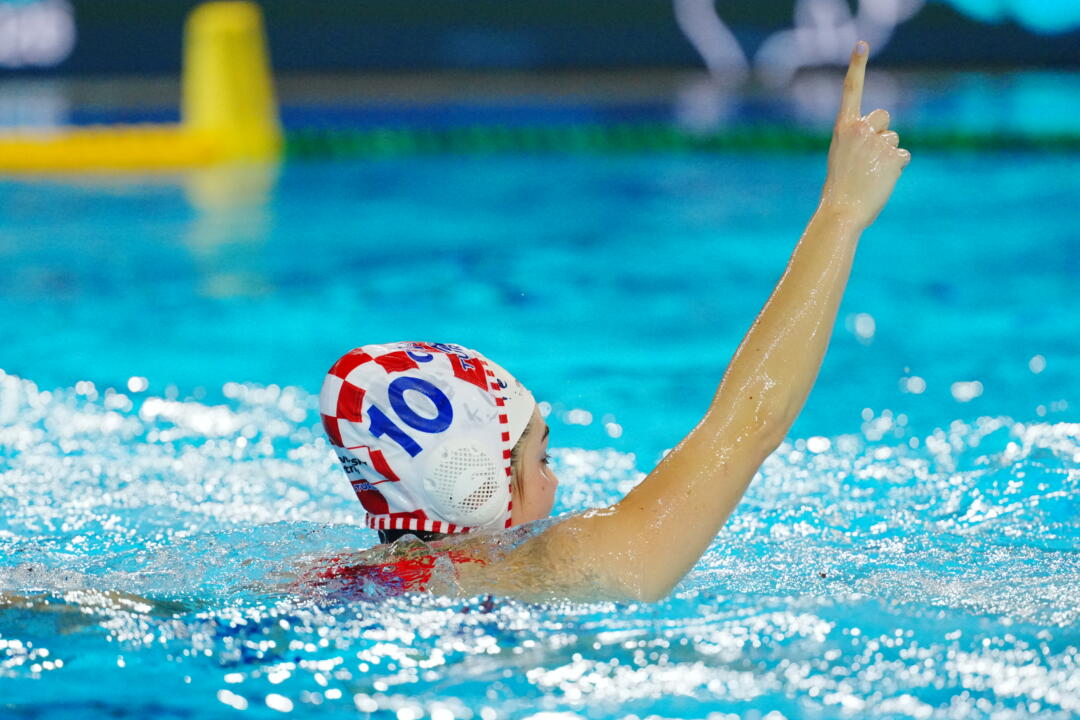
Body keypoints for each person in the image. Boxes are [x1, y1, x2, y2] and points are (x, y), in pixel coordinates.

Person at [308, 42, 909, 603]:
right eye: (539, 460)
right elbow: (751, 423)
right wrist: (842, 212)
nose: (555, 482)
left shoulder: (321, 582)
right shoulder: (552, 566)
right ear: (473, 486)